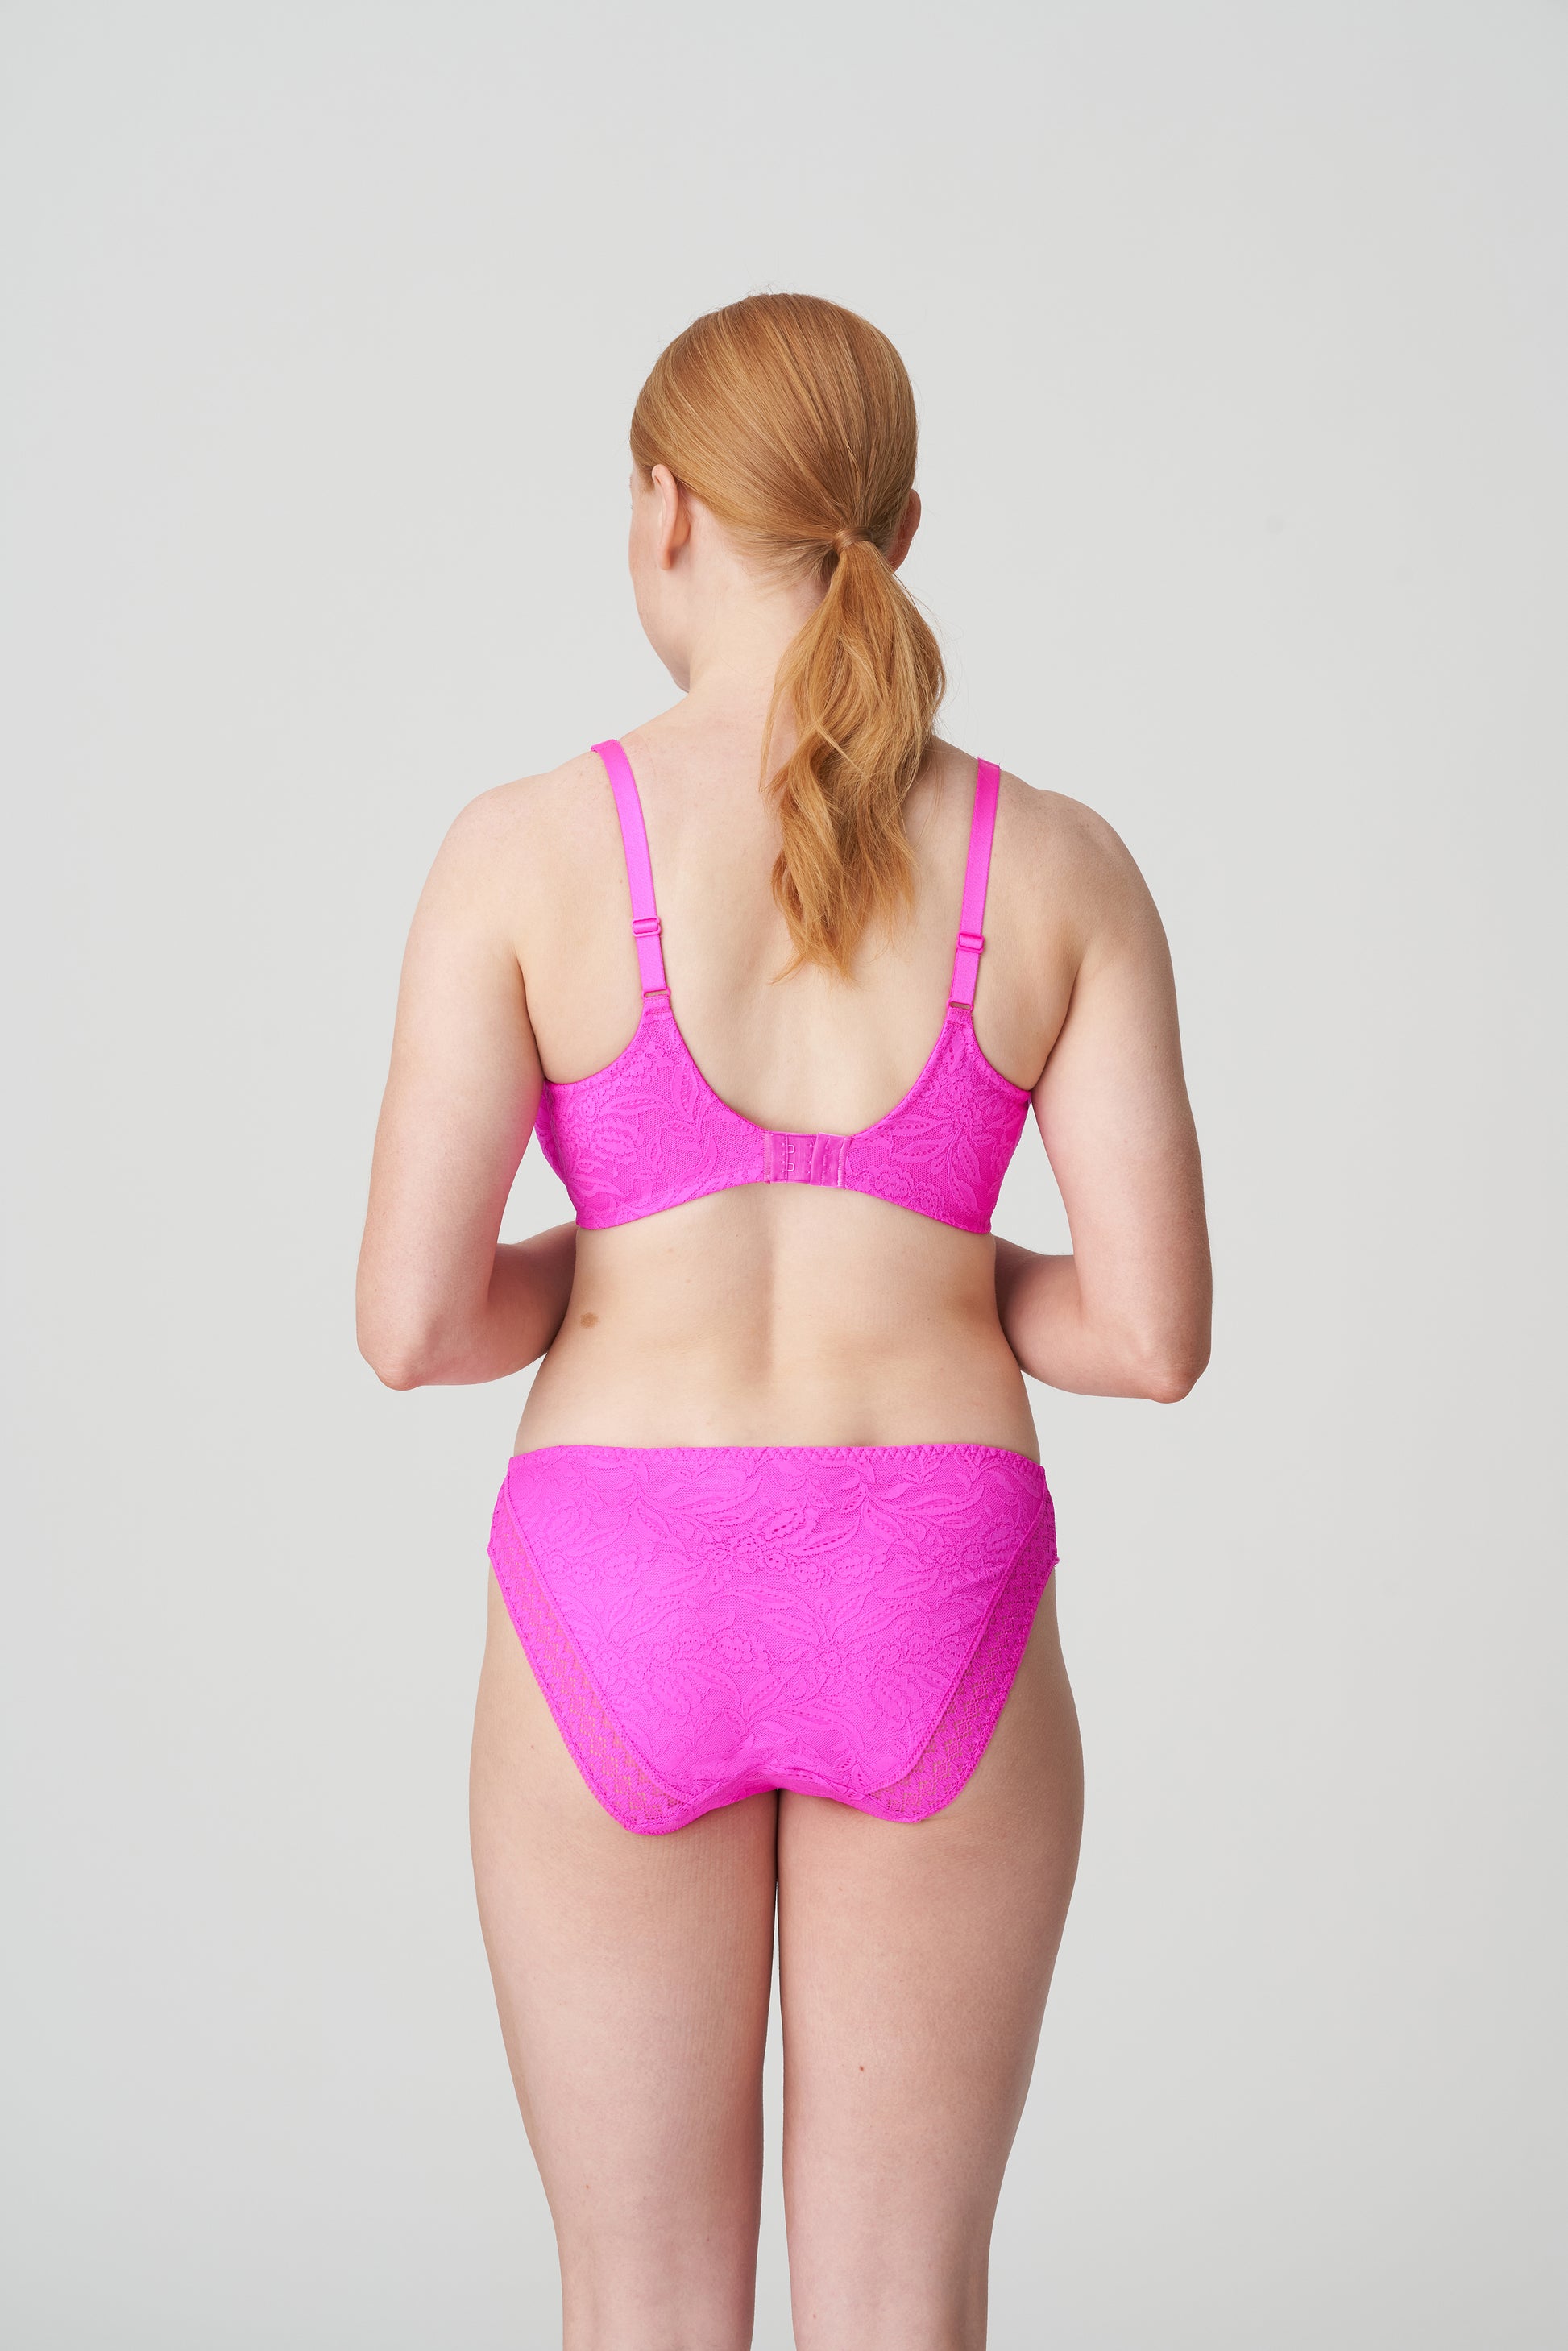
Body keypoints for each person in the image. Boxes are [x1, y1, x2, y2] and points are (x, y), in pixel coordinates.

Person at [356, 291, 1210, 2350]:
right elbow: (1151, 1334)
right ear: (896, 530)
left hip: (620, 1576)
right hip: (932, 1570)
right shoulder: (1059, 863)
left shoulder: (521, 851)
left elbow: (414, 1322)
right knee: (904, 2305)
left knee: (640, 2299)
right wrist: (919, 1256)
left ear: (665, 510)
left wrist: (618, 1258)